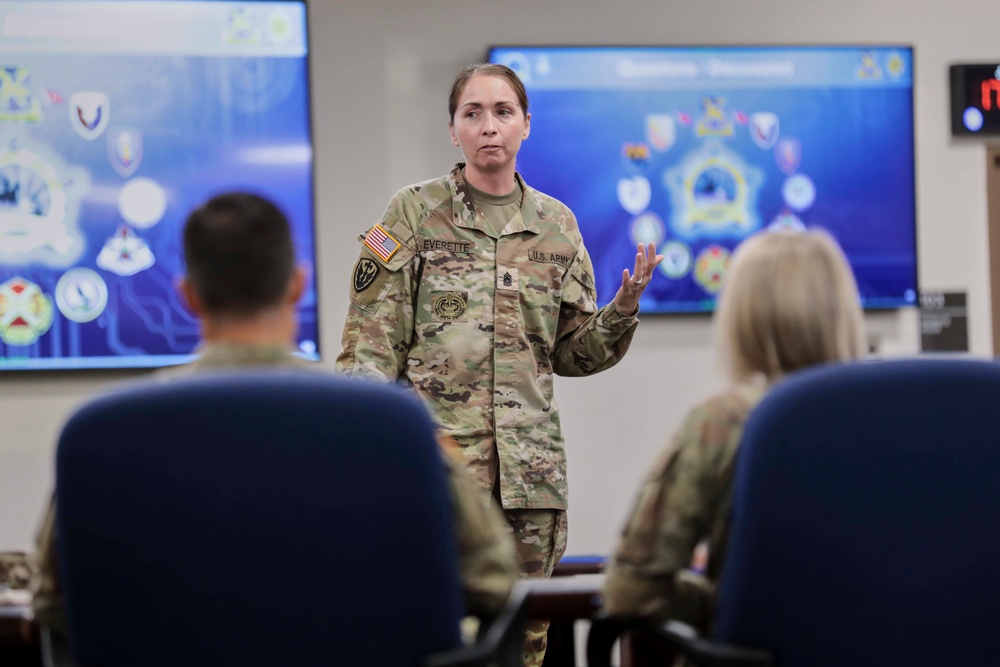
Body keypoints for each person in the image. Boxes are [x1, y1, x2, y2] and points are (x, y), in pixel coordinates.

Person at [32, 192, 518, 637]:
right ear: (296, 285)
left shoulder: (103, 437)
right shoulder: (393, 428)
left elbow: (53, 604)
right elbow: (493, 578)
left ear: (188, 296)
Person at [336, 62, 663, 665]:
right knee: (432, 632)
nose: (489, 127)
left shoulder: (557, 225)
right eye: (473, 113)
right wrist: (370, 462)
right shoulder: (412, 213)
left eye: (503, 112)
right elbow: (368, 353)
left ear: (526, 126)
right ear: (453, 130)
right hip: (437, 474)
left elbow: (571, 353)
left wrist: (621, 311)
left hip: (529, 480)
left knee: (528, 640)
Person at [601, 228, 867, 631]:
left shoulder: (724, 423)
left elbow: (631, 591)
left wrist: (725, 595)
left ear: (741, 318)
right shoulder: (901, 423)